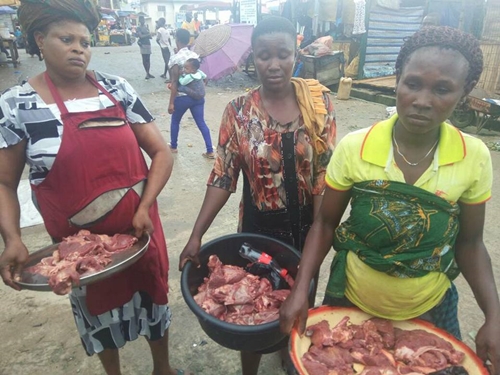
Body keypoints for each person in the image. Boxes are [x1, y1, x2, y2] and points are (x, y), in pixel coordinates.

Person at [280, 26, 500, 375]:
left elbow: (471, 244)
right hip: (351, 299)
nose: (423, 100)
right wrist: (300, 289)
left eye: (443, 89)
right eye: (412, 83)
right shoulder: (356, 147)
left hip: (429, 308)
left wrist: (494, 316)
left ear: (464, 93)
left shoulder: (473, 156)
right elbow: (324, 223)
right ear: (397, 80)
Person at [0, 1, 191, 375]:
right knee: (97, 313)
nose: (79, 49)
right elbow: (5, 182)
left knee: (154, 298)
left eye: (85, 42)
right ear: (39, 40)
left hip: (138, 232)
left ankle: (162, 369)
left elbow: (161, 153)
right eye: (66, 39)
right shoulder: (17, 105)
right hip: (78, 248)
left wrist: (144, 206)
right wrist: (13, 239)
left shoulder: (116, 88)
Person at [178, 16, 336, 375]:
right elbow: (223, 176)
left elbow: (324, 174)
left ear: (295, 53)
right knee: (252, 308)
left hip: (306, 230)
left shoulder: (320, 102)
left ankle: (287, 355)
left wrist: (319, 230)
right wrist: (196, 234)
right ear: (254, 57)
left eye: (283, 54)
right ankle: (249, 367)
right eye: (265, 55)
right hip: (257, 228)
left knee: (297, 303)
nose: (274, 63)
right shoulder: (238, 111)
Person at [167, 28, 214, 159]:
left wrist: (171, 103)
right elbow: (202, 77)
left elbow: (175, 82)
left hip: (182, 98)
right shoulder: (194, 57)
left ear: (177, 40)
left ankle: (174, 146)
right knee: (201, 123)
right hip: (198, 98)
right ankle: (210, 150)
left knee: (175, 121)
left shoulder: (175, 59)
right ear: (188, 41)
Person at [136, 15, 154, 80]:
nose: (143, 21)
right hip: (142, 44)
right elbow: (140, 36)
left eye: (143, 19)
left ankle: (148, 73)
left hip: (148, 44)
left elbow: (149, 37)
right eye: (142, 20)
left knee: (148, 59)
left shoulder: (146, 27)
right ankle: (147, 73)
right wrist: (148, 35)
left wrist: (149, 35)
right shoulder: (138, 28)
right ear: (140, 21)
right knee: (144, 59)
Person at [156, 17, 172, 81]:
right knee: (167, 61)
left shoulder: (160, 30)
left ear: (161, 22)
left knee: (166, 62)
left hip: (163, 47)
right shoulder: (166, 30)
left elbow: (157, 39)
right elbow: (169, 39)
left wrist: (160, 44)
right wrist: (169, 46)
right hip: (168, 47)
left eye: (159, 22)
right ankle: (164, 74)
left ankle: (171, 77)